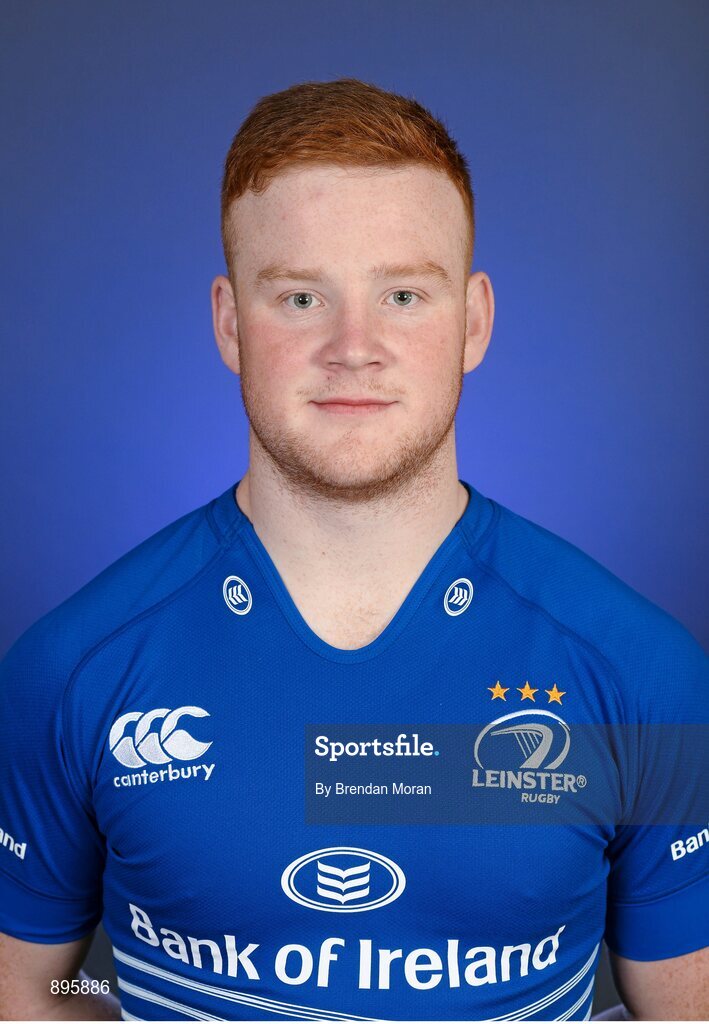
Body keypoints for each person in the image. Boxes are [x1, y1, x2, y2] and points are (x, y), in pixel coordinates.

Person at [0, 77, 706, 1023]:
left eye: (403, 294)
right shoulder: (69, 670)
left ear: (473, 321)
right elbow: (29, 989)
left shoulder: (642, 674)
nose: (353, 346)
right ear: (228, 323)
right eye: (300, 297)